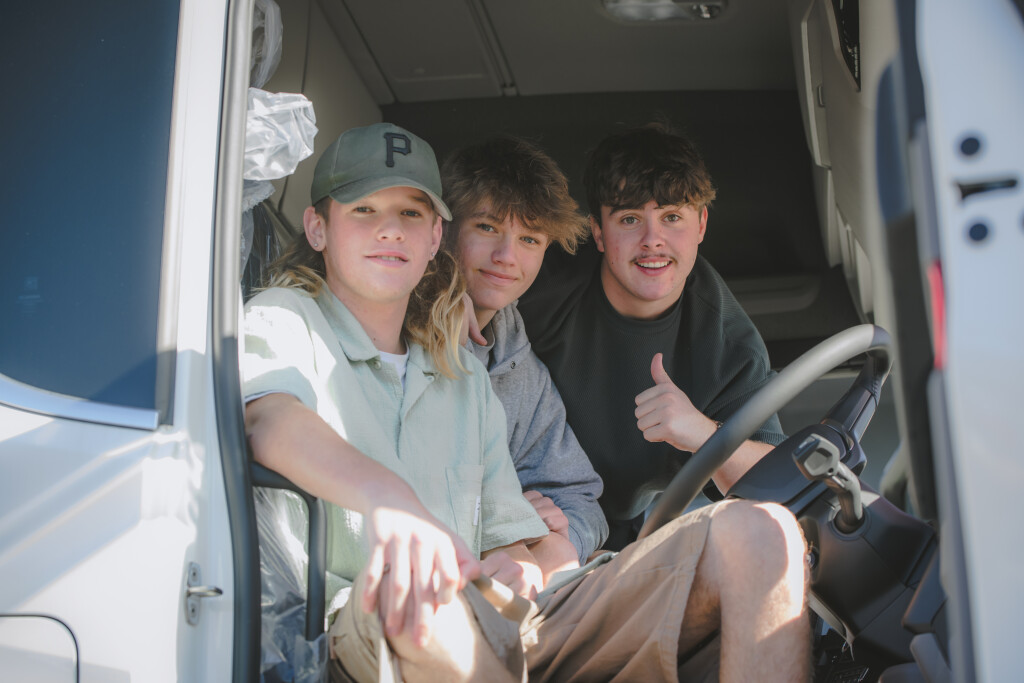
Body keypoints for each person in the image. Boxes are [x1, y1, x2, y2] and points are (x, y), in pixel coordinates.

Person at [246, 122, 810, 682]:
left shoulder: (466, 374)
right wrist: (391, 503)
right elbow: (270, 421)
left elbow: (510, 535)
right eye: (364, 210)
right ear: (317, 228)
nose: (390, 231)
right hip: (377, 618)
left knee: (762, 536)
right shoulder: (284, 317)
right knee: (434, 608)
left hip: (507, 616)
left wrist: (526, 563)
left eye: (411, 214)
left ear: (434, 236)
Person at [517, 122, 789, 549]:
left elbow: (780, 485)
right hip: (512, 507)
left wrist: (704, 434)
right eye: (629, 219)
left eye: (671, 217)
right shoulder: (539, 287)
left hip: (619, 536)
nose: (652, 241)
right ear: (598, 232)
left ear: (701, 224)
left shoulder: (727, 342)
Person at [441, 136, 607, 576]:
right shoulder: (394, 333)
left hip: (508, 578)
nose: (506, 257)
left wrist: (561, 536)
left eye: (530, 239)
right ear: (444, 229)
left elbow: (580, 498)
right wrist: (511, 518)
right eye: (487, 228)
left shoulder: (519, 365)